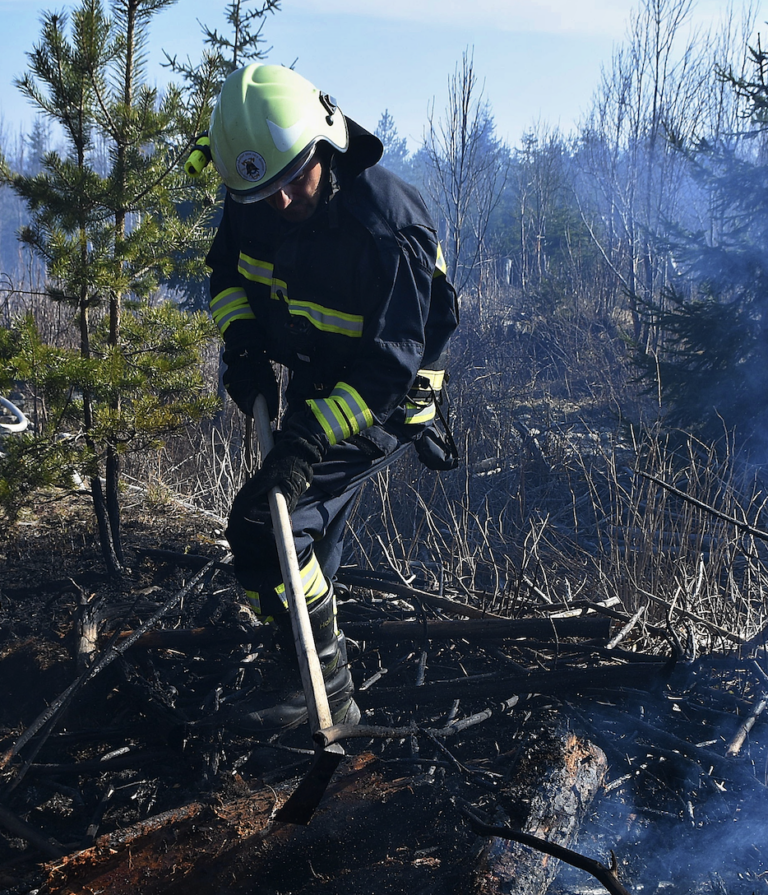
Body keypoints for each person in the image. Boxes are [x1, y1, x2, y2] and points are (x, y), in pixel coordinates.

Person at [197, 63, 459, 733]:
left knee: (267, 528)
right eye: (261, 192)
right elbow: (225, 275)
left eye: (292, 180)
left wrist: (305, 440)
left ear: (324, 143)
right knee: (307, 540)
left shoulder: (387, 230)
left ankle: (327, 690)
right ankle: (309, 672)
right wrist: (246, 346)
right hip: (320, 369)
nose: (279, 204)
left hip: (385, 394)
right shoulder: (254, 194)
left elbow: (388, 366)